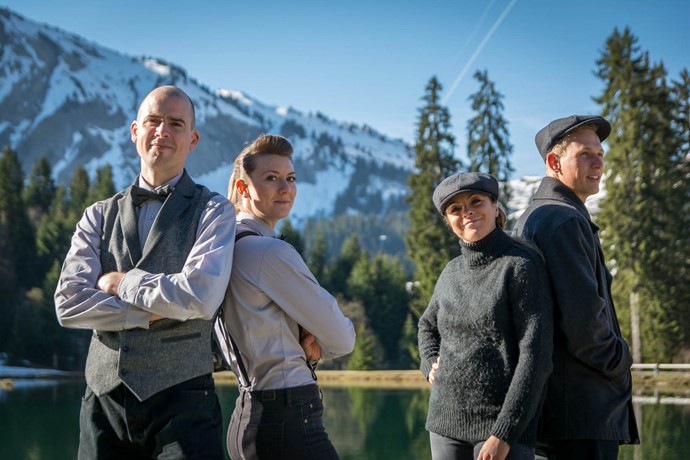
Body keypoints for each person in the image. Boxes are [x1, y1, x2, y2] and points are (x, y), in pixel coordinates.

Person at [55, 85, 236, 459]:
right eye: (153, 121)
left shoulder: (215, 211)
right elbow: (69, 304)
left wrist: (121, 282)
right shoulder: (97, 215)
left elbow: (200, 297)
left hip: (184, 401)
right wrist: (148, 313)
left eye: (176, 123)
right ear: (135, 131)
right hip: (103, 403)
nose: (162, 131)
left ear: (193, 139)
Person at [222, 133, 356, 460]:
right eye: (271, 178)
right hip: (287, 416)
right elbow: (343, 338)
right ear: (243, 188)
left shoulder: (221, 248)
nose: (285, 188)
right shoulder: (268, 252)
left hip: (245, 416)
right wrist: (315, 344)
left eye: (291, 178)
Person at [514, 115, 640, 459]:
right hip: (582, 409)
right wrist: (620, 360)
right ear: (554, 163)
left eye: (600, 154)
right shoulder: (563, 220)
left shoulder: (539, 215)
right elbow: (583, 323)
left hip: (560, 409)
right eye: (585, 154)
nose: (598, 163)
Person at [418, 172, 554, 460]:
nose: (466, 212)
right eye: (455, 209)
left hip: (500, 428)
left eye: (476, 201)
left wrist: (504, 434)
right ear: (448, 221)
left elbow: (536, 357)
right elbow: (426, 325)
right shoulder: (451, 271)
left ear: (494, 206)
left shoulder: (520, 265)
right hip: (444, 424)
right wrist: (429, 362)